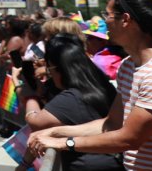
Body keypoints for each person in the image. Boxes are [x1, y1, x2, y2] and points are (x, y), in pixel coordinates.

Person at [28, 0, 152, 169]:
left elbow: (129, 138)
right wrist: (55, 131)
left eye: (108, 15)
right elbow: (112, 123)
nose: (105, 21)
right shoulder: (128, 66)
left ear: (125, 20)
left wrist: (65, 142)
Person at [22, 34, 123, 170]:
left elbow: (36, 122)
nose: (50, 74)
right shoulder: (102, 85)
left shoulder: (71, 98)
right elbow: (107, 124)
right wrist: (54, 133)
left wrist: (27, 92)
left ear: (61, 69)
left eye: (50, 69)